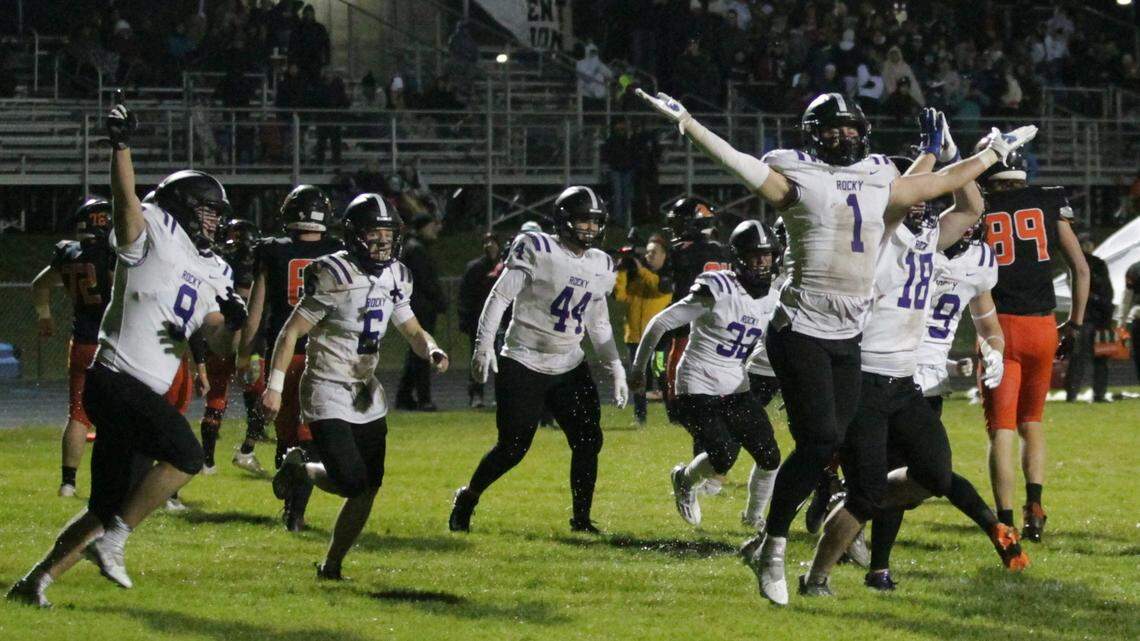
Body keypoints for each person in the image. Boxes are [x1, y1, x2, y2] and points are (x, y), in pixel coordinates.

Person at [638, 88, 1037, 605]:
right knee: (821, 442)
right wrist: (690, 124)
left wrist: (985, 153)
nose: (844, 137)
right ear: (813, 135)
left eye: (851, 128)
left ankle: (792, 538)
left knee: (859, 463)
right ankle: (776, 547)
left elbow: (931, 185)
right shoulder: (808, 180)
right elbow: (740, 163)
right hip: (805, 330)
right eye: (833, 129)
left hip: (856, 344)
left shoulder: (881, 185)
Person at [7, 96, 247, 607]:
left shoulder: (213, 268)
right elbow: (125, 204)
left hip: (140, 393)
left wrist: (238, 319)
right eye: (208, 211)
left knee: (105, 504)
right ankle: (116, 540)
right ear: (185, 207)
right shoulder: (154, 228)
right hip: (115, 378)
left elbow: (217, 339)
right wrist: (121, 148)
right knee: (186, 455)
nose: (214, 222)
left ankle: (33, 583)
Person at [800, 146, 1027, 598]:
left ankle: (854, 500)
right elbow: (896, 202)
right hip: (865, 380)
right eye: (916, 197)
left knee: (934, 475)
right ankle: (816, 576)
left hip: (905, 384)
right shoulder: (876, 237)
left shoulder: (926, 240)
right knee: (868, 494)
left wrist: (969, 156)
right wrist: (926, 160)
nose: (923, 204)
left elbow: (970, 208)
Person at [264, 193, 448, 579]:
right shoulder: (333, 273)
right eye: (373, 235)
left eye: (388, 235)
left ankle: (331, 565)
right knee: (350, 480)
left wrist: (431, 349)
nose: (382, 243)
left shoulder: (397, 275)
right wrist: (275, 387)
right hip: (326, 385)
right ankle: (304, 470)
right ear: (353, 236)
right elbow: (291, 331)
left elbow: (412, 329)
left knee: (368, 486)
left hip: (365, 389)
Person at [449, 186, 628, 534]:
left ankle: (581, 520)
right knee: (513, 447)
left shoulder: (601, 264)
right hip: (523, 360)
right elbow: (500, 296)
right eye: (583, 221)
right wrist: (483, 345)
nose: (590, 229)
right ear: (563, 220)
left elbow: (598, 322)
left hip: (569, 363)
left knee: (589, 440)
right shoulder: (538, 248)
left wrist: (616, 367)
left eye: (595, 222)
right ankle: (468, 497)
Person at [630, 220, 782, 531]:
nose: (762, 263)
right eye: (755, 256)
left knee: (770, 456)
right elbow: (661, 323)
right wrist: (638, 368)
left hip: (736, 384)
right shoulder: (718, 288)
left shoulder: (773, 297)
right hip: (696, 383)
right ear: (739, 257)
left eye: (767, 255)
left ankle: (754, 519)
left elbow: (779, 344)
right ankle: (685, 480)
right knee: (722, 454)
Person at [975, 136, 1089, 544]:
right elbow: (1080, 268)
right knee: (1032, 422)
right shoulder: (1048, 200)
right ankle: (1035, 506)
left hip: (998, 327)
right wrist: (1074, 325)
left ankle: (1005, 522)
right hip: (1043, 326)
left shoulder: (978, 205)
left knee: (1002, 430)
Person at [235, 185, 343, 531]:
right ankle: (296, 513)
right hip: (325, 356)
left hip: (284, 354)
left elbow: (255, 311)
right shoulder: (339, 252)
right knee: (312, 436)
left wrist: (244, 354)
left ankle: (291, 508)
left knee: (287, 436)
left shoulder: (272, 250)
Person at [31, 197, 115, 497]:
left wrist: (44, 316)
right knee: (119, 415)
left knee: (79, 414)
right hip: (110, 344)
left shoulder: (68, 253)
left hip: (80, 342)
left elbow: (39, 284)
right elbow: (118, 290)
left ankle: (68, 483)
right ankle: (116, 482)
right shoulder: (110, 255)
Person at [197, 218, 265, 477]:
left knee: (216, 398)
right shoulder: (253, 261)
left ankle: (207, 461)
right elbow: (249, 302)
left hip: (217, 335)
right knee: (260, 397)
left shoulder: (217, 259)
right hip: (246, 339)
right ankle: (246, 451)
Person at [659, 197, 731, 427]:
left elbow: (664, 285)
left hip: (690, 315)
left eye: (679, 223)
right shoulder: (725, 251)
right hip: (724, 318)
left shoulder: (682, 251)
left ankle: (677, 403)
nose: (676, 229)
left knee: (677, 357)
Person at [614, 234, 670, 424]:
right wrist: (621, 271)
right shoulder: (637, 277)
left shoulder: (666, 276)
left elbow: (657, 288)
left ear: (664, 255)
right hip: (635, 337)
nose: (649, 256)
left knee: (661, 374)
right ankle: (640, 418)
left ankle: (674, 415)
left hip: (658, 339)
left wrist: (640, 268)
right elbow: (619, 296)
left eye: (653, 252)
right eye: (647, 252)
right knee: (638, 378)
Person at [395, 213, 447, 411]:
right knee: (423, 352)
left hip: (417, 306)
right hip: (421, 307)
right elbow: (425, 281)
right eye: (433, 225)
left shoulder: (412, 247)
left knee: (416, 353)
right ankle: (424, 399)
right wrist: (440, 300)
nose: (437, 228)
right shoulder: (417, 249)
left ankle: (404, 396)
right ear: (423, 226)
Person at [1065, 238, 1114, 402]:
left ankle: (1072, 394)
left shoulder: (1074, 264)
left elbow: (1075, 288)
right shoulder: (1098, 264)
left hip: (1085, 317)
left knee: (1078, 358)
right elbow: (1107, 291)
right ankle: (1099, 393)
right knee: (1100, 357)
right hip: (1097, 318)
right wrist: (1105, 306)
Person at [458, 233, 503, 408]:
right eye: (486, 242)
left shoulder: (506, 266)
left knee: (502, 359)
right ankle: (476, 395)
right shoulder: (475, 268)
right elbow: (465, 295)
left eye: (492, 241)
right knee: (479, 358)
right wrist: (465, 318)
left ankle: (501, 395)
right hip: (480, 321)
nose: (489, 245)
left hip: (501, 321)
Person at [601, 119, 635, 228]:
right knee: (618, 197)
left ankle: (625, 220)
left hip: (626, 170)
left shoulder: (628, 141)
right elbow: (606, 154)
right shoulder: (611, 141)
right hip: (616, 169)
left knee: (626, 197)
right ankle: (619, 221)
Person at [1120, 260, 1140, 383]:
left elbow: (1126, 300)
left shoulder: (1134, 269)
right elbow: (1126, 299)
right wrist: (1121, 325)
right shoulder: (1134, 270)